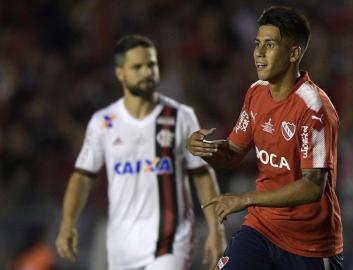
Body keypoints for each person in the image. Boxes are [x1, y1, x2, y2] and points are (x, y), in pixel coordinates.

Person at [187, 6, 344, 270]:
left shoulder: (314, 108)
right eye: (257, 44)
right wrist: (206, 149)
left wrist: (246, 199)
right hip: (261, 229)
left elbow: (312, 187)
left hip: (310, 245)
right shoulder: (256, 93)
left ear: (294, 53)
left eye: (269, 45)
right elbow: (234, 152)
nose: (258, 54)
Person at [55, 34, 226, 270]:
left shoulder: (180, 117)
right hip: (121, 246)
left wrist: (215, 229)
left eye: (151, 65)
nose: (147, 72)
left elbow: (202, 174)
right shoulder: (103, 122)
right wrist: (67, 225)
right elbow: (82, 177)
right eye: (137, 67)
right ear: (120, 73)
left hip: (170, 242)